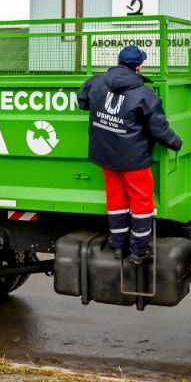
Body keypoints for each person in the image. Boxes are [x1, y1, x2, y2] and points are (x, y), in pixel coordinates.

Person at [77, 46, 183, 261]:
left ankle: (118, 246)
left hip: (106, 156)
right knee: (142, 204)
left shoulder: (95, 82)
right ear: (138, 67)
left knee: (116, 200)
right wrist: (177, 143)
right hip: (134, 160)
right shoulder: (145, 95)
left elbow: (82, 102)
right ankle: (138, 251)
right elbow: (159, 130)